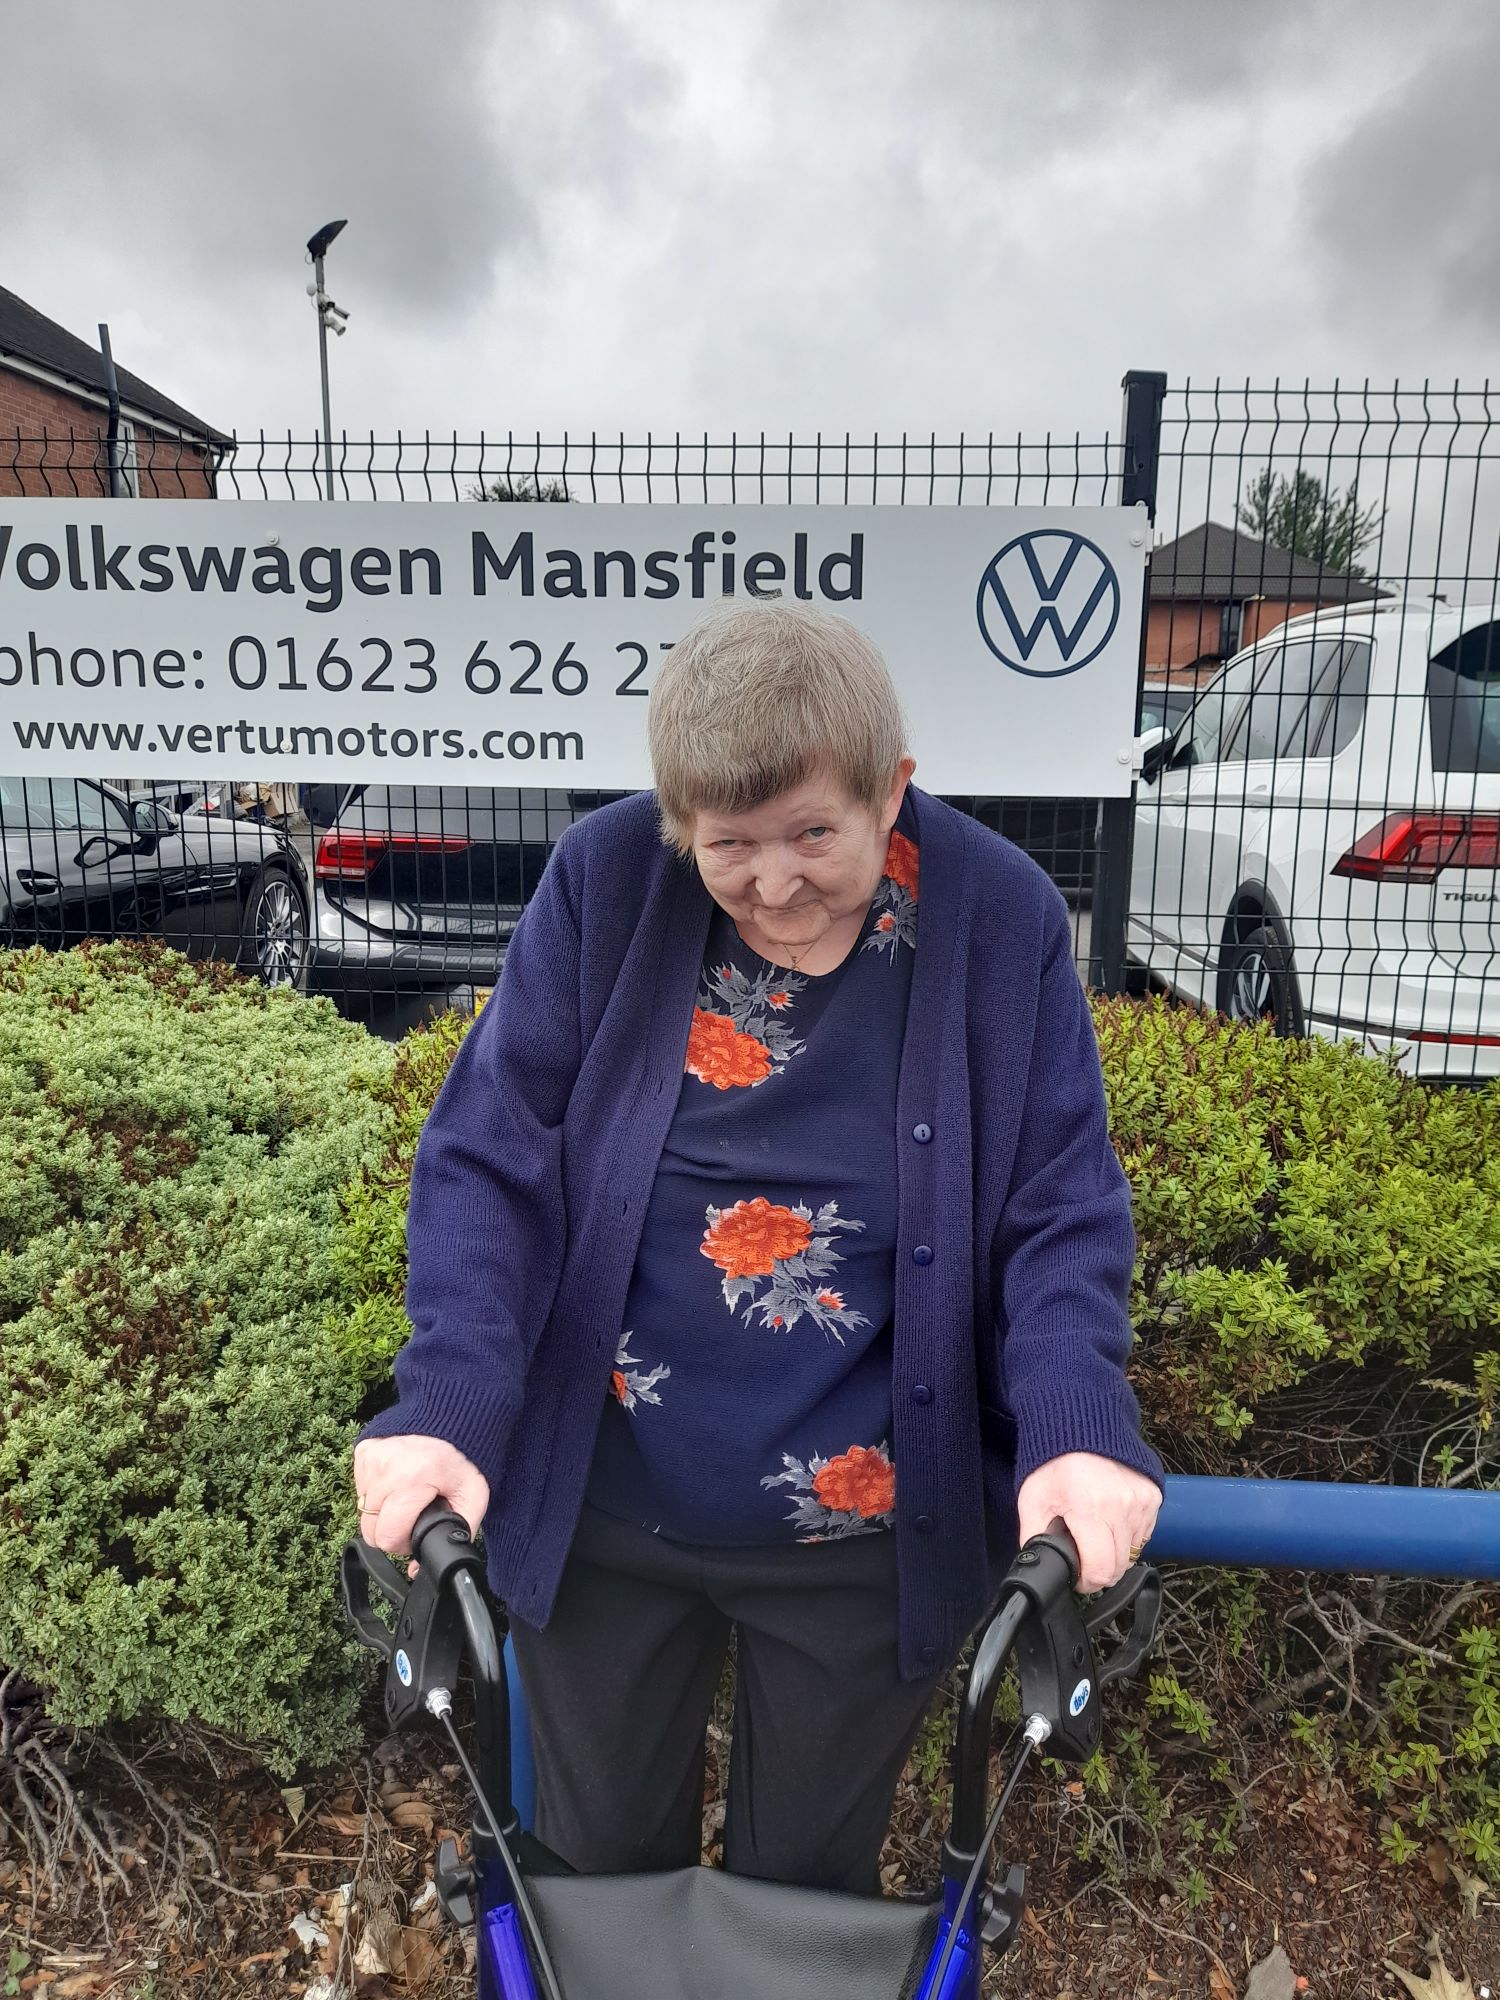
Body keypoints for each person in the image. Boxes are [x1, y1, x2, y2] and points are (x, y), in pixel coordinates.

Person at [353, 601, 1162, 1895]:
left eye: (814, 836)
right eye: (728, 845)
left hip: (862, 1541)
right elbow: (490, 1158)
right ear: (677, 821)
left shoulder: (999, 917)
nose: (776, 885)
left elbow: (1057, 1207)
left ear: (891, 789)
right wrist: (450, 1401)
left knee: (804, 1911)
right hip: (606, 1508)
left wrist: (1075, 1422)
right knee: (601, 1898)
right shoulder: (608, 880)